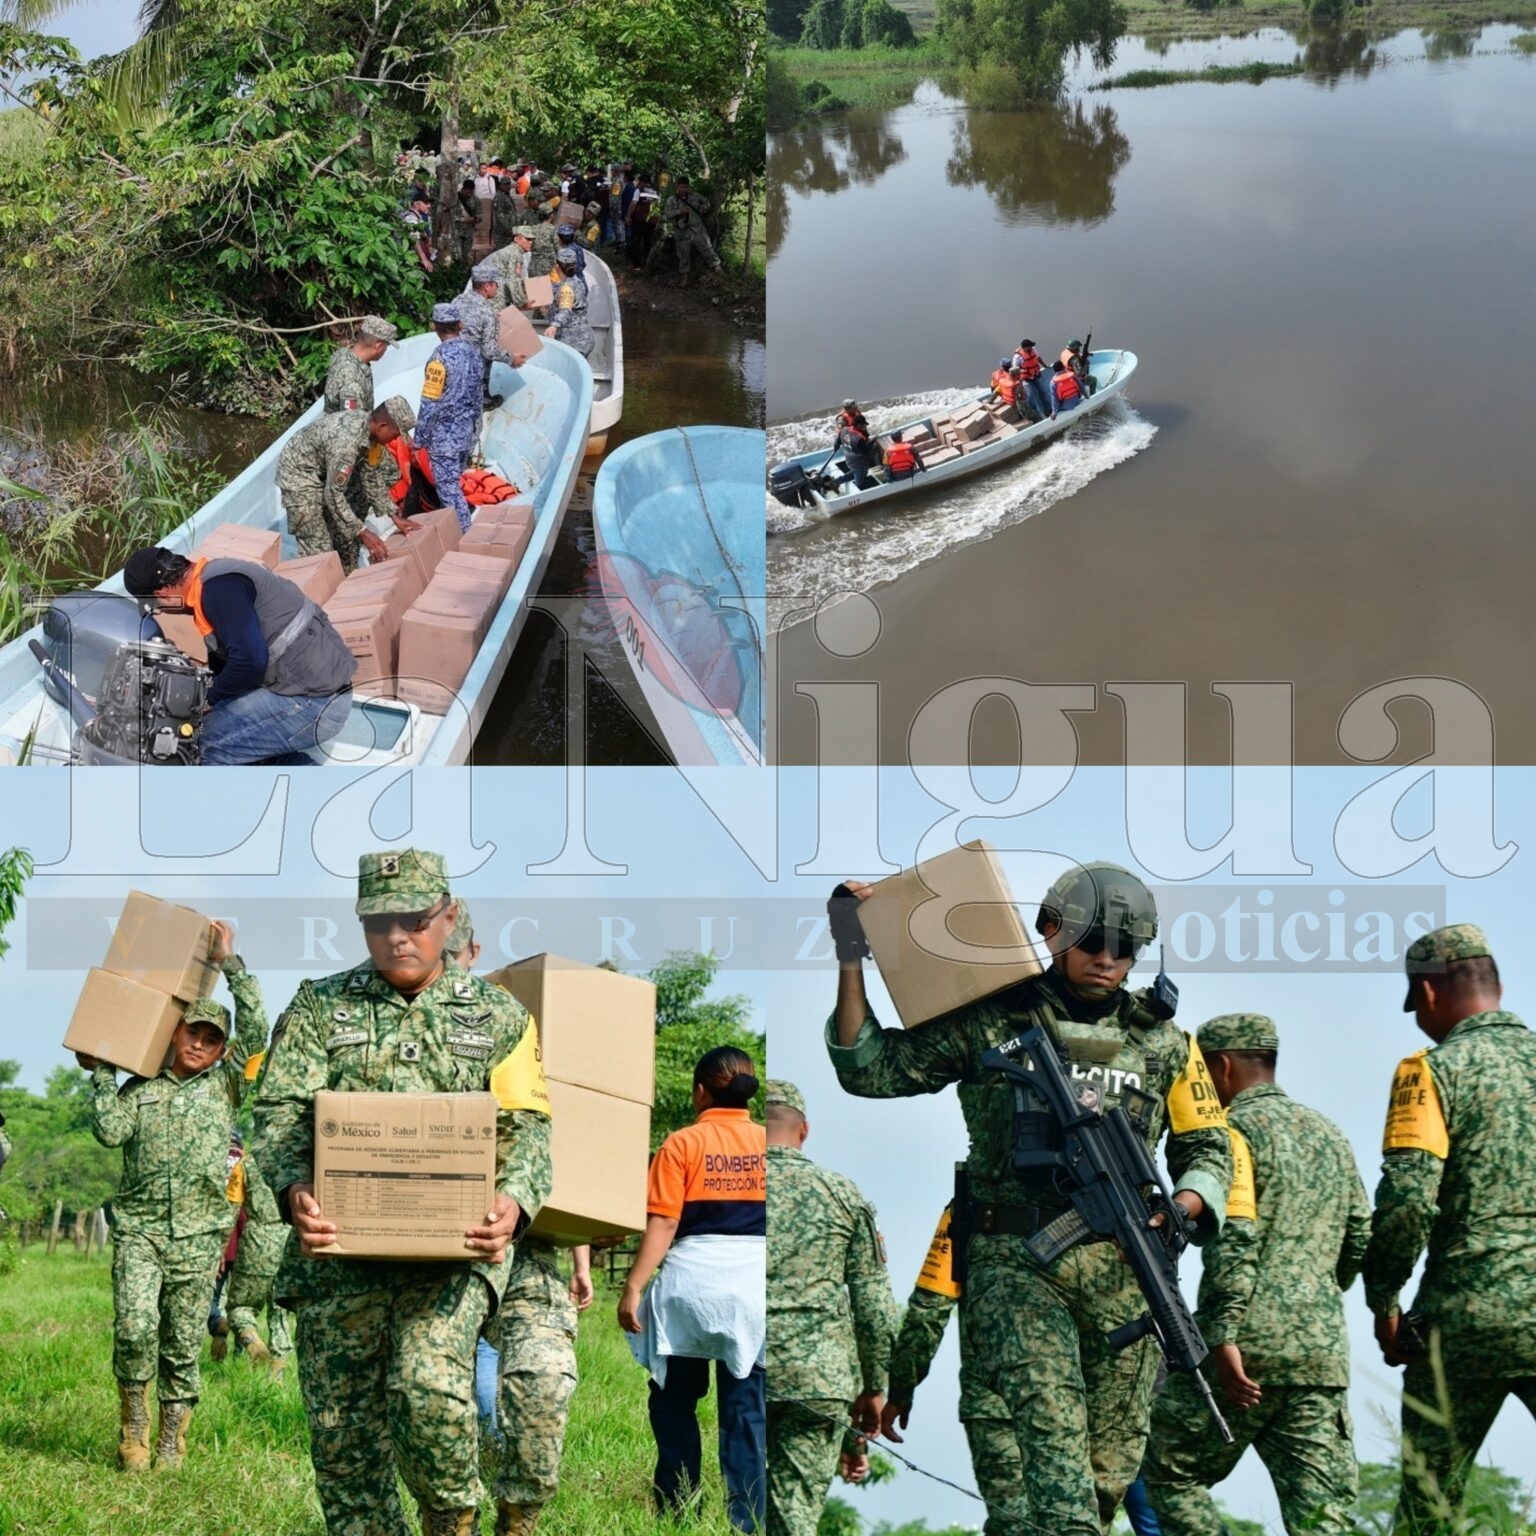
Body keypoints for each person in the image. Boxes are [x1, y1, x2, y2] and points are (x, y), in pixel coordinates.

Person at [825, 861, 1232, 1536]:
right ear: (1050, 930)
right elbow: (867, 1067)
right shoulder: (989, 1019)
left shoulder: (1165, 1044)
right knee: (1060, 1490)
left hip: (1130, 1281)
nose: (1108, 958)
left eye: (1125, 947)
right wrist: (850, 954)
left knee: (1102, 1491)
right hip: (1018, 1266)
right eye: (1092, 939)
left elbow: (1210, 1148)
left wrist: (1187, 1203)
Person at [252, 848, 553, 1536]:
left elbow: (529, 1125)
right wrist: (296, 1186)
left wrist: (514, 1200)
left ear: (448, 918)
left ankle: (452, 1521)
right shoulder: (319, 1006)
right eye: (378, 922)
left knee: (428, 1390)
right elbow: (275, 1114)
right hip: (336, 1264)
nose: (397, 936)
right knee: (344, 1446)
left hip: (449, 1259)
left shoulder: (501, 1017)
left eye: (415, 919)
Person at [1142, 1014, 1369, 1535]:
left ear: (1218, 1068)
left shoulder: (1231, 1134)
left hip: (1245, 1347)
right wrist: (1314, 1296)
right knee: (1322, 1516)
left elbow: (1234, 1239)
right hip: (1321, 1354)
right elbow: (1358, 1236)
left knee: (1167, 1467)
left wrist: (1221, 1333)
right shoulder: (1329, 1133)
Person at [1361, 925, 1536, 1536]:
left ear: (1428, 994)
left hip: (1465, 1323)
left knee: (1427, 1512)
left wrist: (1383, 1301)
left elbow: (1408, 1201)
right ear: (1499, 986)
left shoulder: (1430, 1071)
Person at [79, 919, 264, 1472]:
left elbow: (255, 1024)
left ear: (220, 1049)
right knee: (135, 1328)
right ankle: (134, 1426)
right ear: (175, 1034)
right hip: (139, 1231)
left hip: (201, 1236)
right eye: (193, 1034)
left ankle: (169, 1442)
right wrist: (101, 1074)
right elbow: (109, 1131)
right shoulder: (141, 1090)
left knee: (182, 1343)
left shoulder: (227, 1086)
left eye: (212, 1039)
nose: (200, 1045)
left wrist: (230, 962)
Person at [620, 1046, 767, 1534]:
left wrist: (634, 1286)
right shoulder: (771, 1143)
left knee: (675, 1400)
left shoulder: (682, 1143)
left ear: (700, 1092)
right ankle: (747, 1520)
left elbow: (663, 1221)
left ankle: (678, 1511)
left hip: (690, 1291)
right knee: (745, 1409)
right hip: (752, 1293)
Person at [766, 1079, 897, 1536]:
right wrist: (876, 1387)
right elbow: (874, 1306)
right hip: (817, 1379)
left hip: (739, 1365)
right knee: (793, 1515)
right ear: (803, 1131)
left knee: (732, 1501)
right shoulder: (842, 1195)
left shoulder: (731, 1183)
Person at [122, 544, 359, 766]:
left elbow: (250, 662)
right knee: (217, 726)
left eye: (158, 605)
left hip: (314, 704)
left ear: (162, 593)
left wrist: (204, 700)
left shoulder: (218, 592)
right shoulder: (213, 578)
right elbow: (225, 664)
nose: (162, 611)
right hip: (316, 689)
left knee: (198, 747)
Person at [881, 1198, 1022, 1536]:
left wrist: (901, 1389)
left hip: (997, 1405)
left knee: (1014, 1522)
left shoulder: (972, 1199)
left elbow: (929, 1309)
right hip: (1090, 1405)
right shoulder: (1111, 1196)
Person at [273, 395, 418, 570]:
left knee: (345, 531)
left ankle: (344, 579)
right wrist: (362, 531)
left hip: (322, 469)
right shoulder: (347, 445)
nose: (394, 440)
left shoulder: (370, 434)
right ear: (382, 426)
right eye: (395, 434)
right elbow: (333, 494)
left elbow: (371, 477)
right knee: (319, 550)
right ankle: (314, 589)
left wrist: (394, 515)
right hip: (299, 474)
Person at [416, 304, 485, 535]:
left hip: (443, 437)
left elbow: (429, 403)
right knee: (454, 483)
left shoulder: (438, 359)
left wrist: (419, 440)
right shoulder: (474, 353)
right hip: (465, 433)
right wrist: (474, 430)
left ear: (435, 327)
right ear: (460, 325)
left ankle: (465, 535)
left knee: (448, 490)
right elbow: (478, 398)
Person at [461, 263, 528, 409]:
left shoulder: (458, 301)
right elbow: (489, 351)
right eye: (496, 284)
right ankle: (483, 399)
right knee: (485, 354)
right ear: (487, 286)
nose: (498, 288)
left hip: (455, 360)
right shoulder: (487, 312)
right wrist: (512, 359)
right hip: (473, 365)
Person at [324, 316, 396, 414]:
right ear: (378, 347)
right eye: (386, 347)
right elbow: (351, 420)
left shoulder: (342, 353)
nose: (385, 350)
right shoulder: (352, 383)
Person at [665, 176, 723, 287]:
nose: (683, 189)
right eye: (681, 187)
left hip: (697, 228)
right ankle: (684, 278)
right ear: (677, 187)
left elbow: (707, 202)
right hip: (682, 231)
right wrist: (679, 211)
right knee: (683, 255)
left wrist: (702, 210)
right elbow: (667, 214)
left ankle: (718, 269)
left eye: (685, 187)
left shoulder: (695, 197)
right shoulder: (672, 200)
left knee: (707, 248)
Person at [544, 248, 594, 357]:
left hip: (573, 342)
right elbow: (556, 288)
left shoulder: (566, 288)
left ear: (557, 266)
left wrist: (554, 326)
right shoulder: (576, 281)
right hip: (583, 337)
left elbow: (565, 311)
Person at [833, 400, 876, 492]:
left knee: (856, 471)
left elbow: (840, 438)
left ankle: (837, 481)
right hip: (857, 457)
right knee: (860, 475)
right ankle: (859, 490)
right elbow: (866, 451)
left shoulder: (845, 429)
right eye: (854, 407)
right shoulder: (843, 421)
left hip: (850, 452)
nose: (856, 408)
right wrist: (872, 441)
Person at [1012, 339, 1053, 422]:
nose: (1032, 347)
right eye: (1030, 346)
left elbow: (1038, 358)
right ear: (1025, 347)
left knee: (1043, 392)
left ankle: (1048, 410)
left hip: (1036, 374)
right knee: (1030, 396)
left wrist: (1044, 365)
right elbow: (1015, 369)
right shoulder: (1018, 357)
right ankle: (1036, 415)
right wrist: (1019, 379)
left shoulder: (1033, 350)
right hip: (1026, 378)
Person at [627, 174, 660, 269]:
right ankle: (647, 264)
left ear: (641, 182)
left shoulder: (639, 190)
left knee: (636, 241)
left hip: (639, 219)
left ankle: (637, 264)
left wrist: (628, 216)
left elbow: (633, 204)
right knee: (647, 242)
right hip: (652, 220)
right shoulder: (656, 191)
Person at [403, 195, 436, 273]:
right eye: (426, 203)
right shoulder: (410, 218)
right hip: (409, 257)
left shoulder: (418, 217)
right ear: (416, 204)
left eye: (429, 203)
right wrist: (424, 259)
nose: (429, 206)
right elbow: (414, 239)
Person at [452, 177, 479, 267]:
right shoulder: (455, 199)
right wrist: (464, 219)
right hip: (457, 232)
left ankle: (466, 273)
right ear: (463, 189)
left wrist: (476, 219)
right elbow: (451, 215)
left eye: (471, 193)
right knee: (457, 255)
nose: (469, 195)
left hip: (469, 232)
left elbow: (480, 213)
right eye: (467, 192)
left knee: (467, 255)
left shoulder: (475, 199)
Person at [492, 174, 519, 246]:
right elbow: (499, 214)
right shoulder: (499, 197)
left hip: (511, 229)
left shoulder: (507, 195)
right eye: (505, 184)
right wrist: (507, 228)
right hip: (503, 231)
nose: (508, 186)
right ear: (500, 185)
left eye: (509, 184)